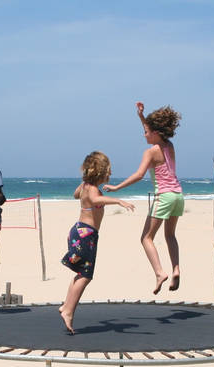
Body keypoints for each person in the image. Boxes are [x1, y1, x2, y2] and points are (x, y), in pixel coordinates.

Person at [103, 102, 183, 294]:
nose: (144, 135)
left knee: (146, 237)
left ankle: (159, 273)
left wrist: (117, 187)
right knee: (170, 235)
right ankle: (176, 269)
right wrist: (141, 116)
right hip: (178, 195)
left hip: (164, 196)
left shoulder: (150, 152)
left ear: (155, 132)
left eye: (146, 132)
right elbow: (153, 130)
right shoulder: (169, 146)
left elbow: (139, 175)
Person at [59, 151, 135, 334]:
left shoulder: (86, 185)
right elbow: (94, 199)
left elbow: (76, 195)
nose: (111, 173)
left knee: (81, 273)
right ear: (101, 172)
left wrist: (84, 183)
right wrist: (118, 201)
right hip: (86, 235)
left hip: (79, 232)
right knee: (86, 275)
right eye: (108, 170)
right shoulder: (92, 189)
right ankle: (68, 311)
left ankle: (66, 306)